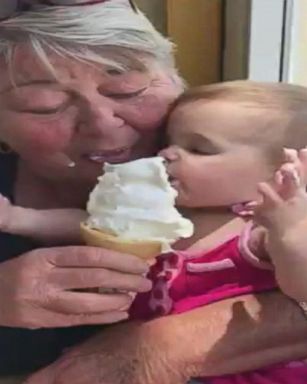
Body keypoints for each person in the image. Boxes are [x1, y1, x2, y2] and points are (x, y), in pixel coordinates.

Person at [0, 1, 305, 383]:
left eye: (128, 90)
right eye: (45, 106)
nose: (102, 124)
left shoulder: (270, 184)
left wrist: (166, 345)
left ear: (181, 84)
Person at [130, 81, 307, 383]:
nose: (167, 153)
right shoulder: (166, 212)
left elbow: (301, 289)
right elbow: (92, 222)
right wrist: (26, 220)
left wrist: (290, 233)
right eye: (169, 140)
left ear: (280, 171)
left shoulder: (261, 228)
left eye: (198, 149)